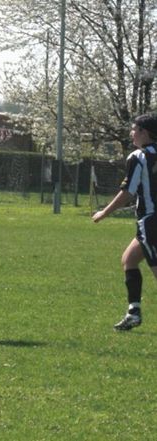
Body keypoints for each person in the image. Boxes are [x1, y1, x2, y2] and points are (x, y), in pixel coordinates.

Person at [92, 113, 157, 330]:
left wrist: (104, 212)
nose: (131, 132)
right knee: (129, 259)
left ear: (144, 133)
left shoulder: (138, 157)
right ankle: (134, 313)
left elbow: (128, 192)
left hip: (150, 221)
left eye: (134, 129)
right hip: (149, 223)